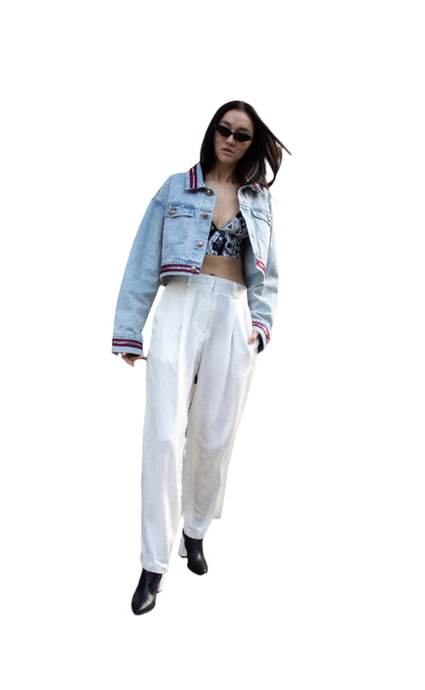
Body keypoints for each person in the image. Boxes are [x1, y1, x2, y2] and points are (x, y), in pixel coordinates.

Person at [111, 100, 290, 615]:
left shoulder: (259, 200)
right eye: (223, 130)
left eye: (241, 135)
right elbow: (143, 257)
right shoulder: (176, 187)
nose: (230, 140)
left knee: (213, 436)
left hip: (232, 315)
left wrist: (260, 326)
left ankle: (194, 529)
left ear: (251, 145)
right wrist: (129, 330)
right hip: (180, 307)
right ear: (212, 132)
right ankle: (153, 564)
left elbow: (269, 273)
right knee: (165, 435)